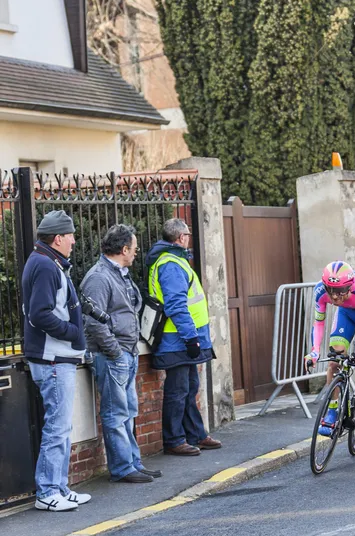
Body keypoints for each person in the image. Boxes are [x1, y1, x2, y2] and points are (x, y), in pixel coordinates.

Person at [81, 224, 162, 483]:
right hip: (113, 355)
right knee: (116, 413)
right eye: (134, 249)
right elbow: (93, 321)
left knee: (128, 411)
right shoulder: (98, 277)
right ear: (124, 249)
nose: (136, 253)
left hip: (127, 352)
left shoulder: (120, 273)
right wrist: (115, 352)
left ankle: (133, 463)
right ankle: (123, 468)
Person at [22, 210, 91, 511]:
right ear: (58, 237)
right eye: (71, 235)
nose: (75, 241)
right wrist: (73, 332)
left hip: (56, 357)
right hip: (52, 358)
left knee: (61, 426)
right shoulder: (46, 266)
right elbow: (40, 313)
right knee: (57, 427)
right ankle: (48, 492)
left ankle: (60, 487)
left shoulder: (46, 262)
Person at [145, 218, 221, 455]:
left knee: (189, 387)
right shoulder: (171, 264)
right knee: (178, 391)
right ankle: (174, 440)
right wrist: (190, 338)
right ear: (181, 238)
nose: (189, 238)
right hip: (175, 339)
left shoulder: (175, 261)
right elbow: (177, 305)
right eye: (187, 234)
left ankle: (195, 434)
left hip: (182, 337)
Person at [304, 261, 355, 434]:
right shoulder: (320, 291)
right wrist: (314, 351)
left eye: (340, 291)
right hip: (346, 314)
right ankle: (332, 410)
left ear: (349, 287)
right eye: (331, 290)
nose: (334, 297)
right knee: (334, 362)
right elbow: (318, 323)